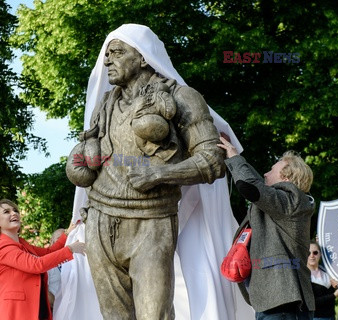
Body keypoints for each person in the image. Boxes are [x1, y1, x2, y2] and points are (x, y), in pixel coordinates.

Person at [65, 23, 226, 319]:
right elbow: (90, 157)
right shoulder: (105, 102)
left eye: (117, 52)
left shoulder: (182, 97)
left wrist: (159, 175)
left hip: (151, 223)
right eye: (106, 54)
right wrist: (79, 161)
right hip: (100, 220)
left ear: (142, 57)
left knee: (155, 315)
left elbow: (213, 159)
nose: (107, 60)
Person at [218, 137, 316, 319]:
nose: (265, 173)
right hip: (278, 303)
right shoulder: (281, 203)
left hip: (284, 305)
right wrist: (234, 157)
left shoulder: (292, 200)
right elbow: (258, 185)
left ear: (285, 178)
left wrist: (233, 156)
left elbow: (250, 187)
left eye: (271, 170)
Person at [0, 199, 86, 320]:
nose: (14, 213)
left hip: (35, 311)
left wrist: (67, 233)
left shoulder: (21, 243)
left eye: (15, 210)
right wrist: (70, 249)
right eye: (6, 212)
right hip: (13, 313)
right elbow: (36, 265)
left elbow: (48, 253)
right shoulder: (3, 247)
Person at [307, 241, 338, 320]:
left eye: (315, 252)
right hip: (314, 317)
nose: (311, 256)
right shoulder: (302, 275)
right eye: (308, 253)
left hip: (331, 317)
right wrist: (334, 295)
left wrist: (337, 288)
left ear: (321, 254)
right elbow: (311, 302)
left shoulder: (328, 272)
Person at [47, 228, 65, 312]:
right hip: (54, 310)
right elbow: (43, 290)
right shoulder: (45, 262)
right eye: (59, 239)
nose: (63, 241)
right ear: (51, 241)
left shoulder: (74, 261)